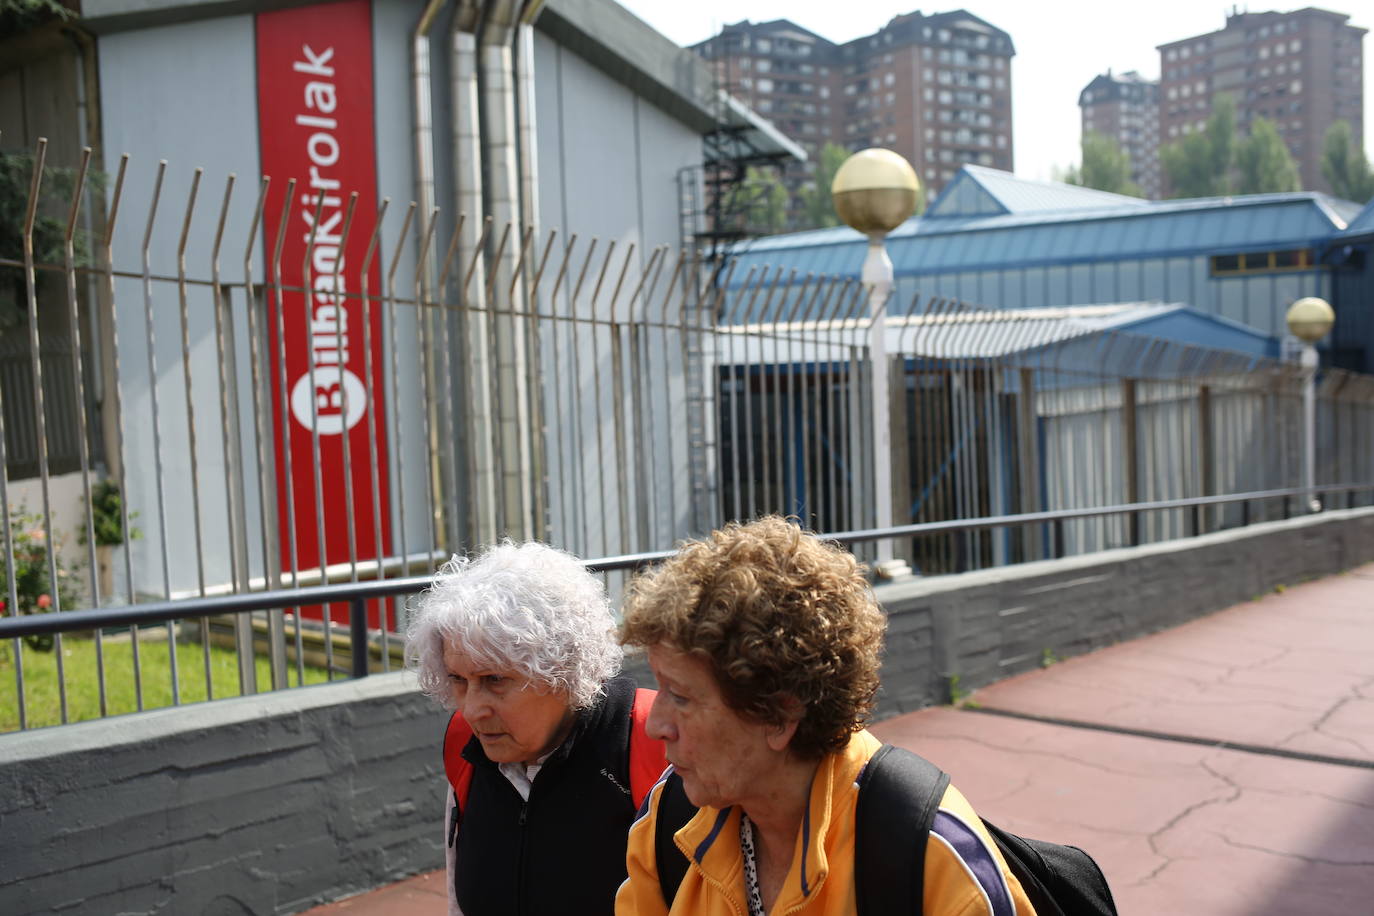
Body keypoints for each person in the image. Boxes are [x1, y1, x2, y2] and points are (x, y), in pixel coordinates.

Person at [616, 516, 1037, 916]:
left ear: (780, 713)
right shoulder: (668, 819)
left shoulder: (926, 856)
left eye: (682, 696)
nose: (656, 725)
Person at [406, 541, 669, 916]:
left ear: (564, 670)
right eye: (459, 680)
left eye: (495, 679)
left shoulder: (655, 743)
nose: (473, 709)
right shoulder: (465, 745)